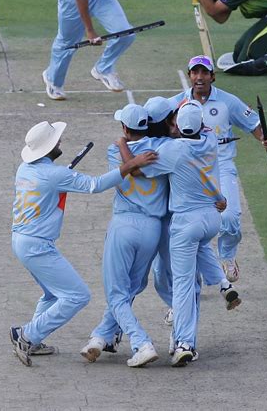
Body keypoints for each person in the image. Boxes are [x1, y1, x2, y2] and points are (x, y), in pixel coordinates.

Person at [9, 120, 157, 367]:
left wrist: (63, 179)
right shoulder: (56, 174)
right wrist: (131, 164)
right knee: (77, 296)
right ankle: (26, 335)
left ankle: (34, 340)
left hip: (21, 242)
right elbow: (95, 185)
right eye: (56, 140)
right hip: (37, 246)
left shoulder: (25, 169)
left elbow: (51, 185)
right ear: (48, 147)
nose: (60, 142)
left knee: (51, 294)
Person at [168, 54, 267, 283]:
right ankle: (192, 273)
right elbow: (161, 126)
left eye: (204, 72)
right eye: (195, 72)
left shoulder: (228, 101)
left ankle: (227, 255)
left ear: (212, 76)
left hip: (221, 165)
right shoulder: (177, 103)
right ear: (189, 76)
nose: (199, 77)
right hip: (189, 169)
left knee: (229, 217)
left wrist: (264, 139)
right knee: (188, 222)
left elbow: (255, 124)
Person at [135, 101, 227, 367]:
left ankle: (184, 343)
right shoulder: (210, 139)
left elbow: (139, 170)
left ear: (177, 126)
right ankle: (223, 284)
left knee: (184, 285)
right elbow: (202, 127)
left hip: (185, 223)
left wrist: (124, 149)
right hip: (211, 217)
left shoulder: (172, 150)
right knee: (199, 260)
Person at [80, 104, 169, 368]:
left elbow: (126, 170)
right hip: (152, 228)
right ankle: (100, 337)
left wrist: (121, 144)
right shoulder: (162, 149)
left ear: (124, 128)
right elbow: (139, 168)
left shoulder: (114, 149)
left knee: (116, 293)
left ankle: (141, 343)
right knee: (130, 287)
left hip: (124, 224)